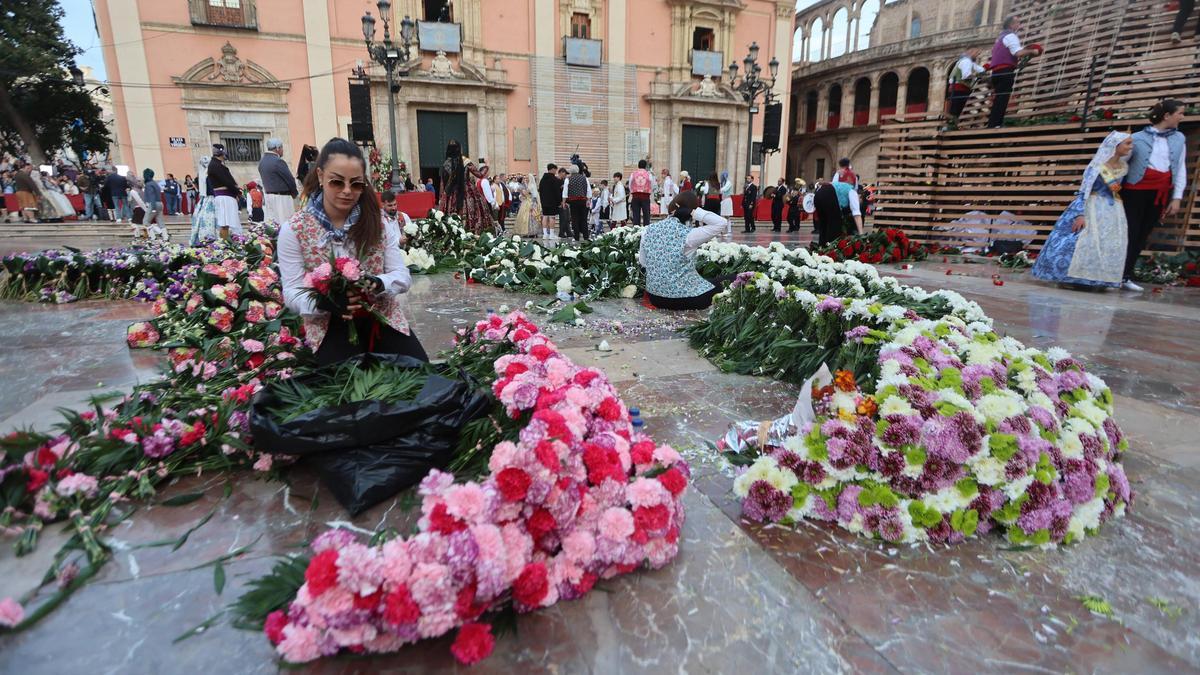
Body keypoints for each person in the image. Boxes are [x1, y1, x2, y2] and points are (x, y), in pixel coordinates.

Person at [279, 138, 427, 366]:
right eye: (337, 182)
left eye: (356, 184)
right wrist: (323, 301)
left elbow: (402, 275)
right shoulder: (294, 230)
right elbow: (291, 292)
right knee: (342, 388)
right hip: (328, 322)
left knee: (420, 377)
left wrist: (377, 283)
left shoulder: (377, 223)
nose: (347, 191)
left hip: (382, 316)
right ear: (320, 176)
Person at [1031, 131, 1132, 288]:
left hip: (1112, 209)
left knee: (1106, 243)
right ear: (1115, 146)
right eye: (1127, 143)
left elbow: (1115, 189)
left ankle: (1097, 279)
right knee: (1080, 239)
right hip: (1091, 205)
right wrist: (1080, 213)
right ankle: (1071, 278)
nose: (1130, 147)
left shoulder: (1123, 166)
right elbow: (1084, 190)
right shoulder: (1099, 166)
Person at [1121, 99, 1187, 291]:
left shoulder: (1179, 138)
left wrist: (1176, 197)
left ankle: (1127, 274)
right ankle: (1119, 273)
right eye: (1180, 113)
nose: (1182, 117)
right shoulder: (1138, 137)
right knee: (1130, 232)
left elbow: (1180, 168)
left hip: (1159, 192)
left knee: (1143, 233)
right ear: (1167, 115)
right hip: (1135, 191)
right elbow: (1122, 162)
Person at [637, 190, 733, 310]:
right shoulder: (689, 234)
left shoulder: (648, 230)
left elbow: (643, 262)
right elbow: (721, 223)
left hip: (655, 297)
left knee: (707, 281)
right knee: (732, 280)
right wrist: (694, 212)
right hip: (686, 299)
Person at [987, 15, 1043, 129]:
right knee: (1002, 99)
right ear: (1011, 24)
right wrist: (1033, 51)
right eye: (1018, 22)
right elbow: (1017, 53)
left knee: (998, 99)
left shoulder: (999, 38)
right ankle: (996, 125)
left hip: (996, 73)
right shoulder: (1011, 36)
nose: (1019, 25)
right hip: (1005, 71)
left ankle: (992, 125)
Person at [259, 138, 299, 226]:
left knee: (273, 225)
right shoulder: (278, 161)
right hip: (281, 198)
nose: (282, 150)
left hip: (269, 196)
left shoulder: (262, 162)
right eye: (282, 148)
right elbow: (289, 179)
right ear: (277, 148)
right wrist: (294, 193)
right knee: (285, 224)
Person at [812, 179, 863, 246]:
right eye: (860, 202)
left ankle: (821, 247)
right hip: (829, 195)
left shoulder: (843, 187)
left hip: (818, 195)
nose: (859, 203)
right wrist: (861, 234)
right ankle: (831, 249)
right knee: (835, 226)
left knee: (823, 225)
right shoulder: (853, 192)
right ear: (860, 197)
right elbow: (856, 214)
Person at [207, 144, 242, 236]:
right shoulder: (216, 166)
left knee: (227, 223)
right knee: (226, 224)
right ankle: (226, 244)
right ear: (222, 153)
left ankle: (227, 242)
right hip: (225, 197)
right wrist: (237, 192)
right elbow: (227, 182)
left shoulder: (216, 164)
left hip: (226, 196)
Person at [947, 47, 986, 129]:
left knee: (959, 110)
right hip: (959, 89)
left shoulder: (970, 62)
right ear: (970, 52)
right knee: (956, 110)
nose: (977, 55)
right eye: (976, 53)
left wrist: (983, 71)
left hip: (961, 89)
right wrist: (977, 76)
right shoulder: (966, 61)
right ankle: (951, 127)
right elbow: (966, 76)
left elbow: (980, 69)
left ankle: (955, 126)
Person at [464, 159, 496, 235]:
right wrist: (487, 165)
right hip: (483, 201)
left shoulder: (479, 181)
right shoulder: (484, 181)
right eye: (488, 171)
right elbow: (487, 194)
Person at [438, 140, 467, 219]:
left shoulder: (446, 163)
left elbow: (442, 183)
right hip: (461, 192)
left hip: (449, 194)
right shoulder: (462, 162)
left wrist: (441, 196)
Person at [565, 163, 590, 241]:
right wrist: (588, 199)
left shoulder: (568, 179)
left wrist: (563, 201)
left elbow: (565, 192)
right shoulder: (584, 178)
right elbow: (588, 189)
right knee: (583, 218)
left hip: (573, 201)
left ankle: (576, 237)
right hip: (582, 200)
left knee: (574, 219)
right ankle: (586, 236)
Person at [628, 159, 655, 227]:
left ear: (638, 165)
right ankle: (646, 229)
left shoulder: (633, 174)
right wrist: (649, 191)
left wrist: (633, 191)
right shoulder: (649, 174)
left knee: (636, 214)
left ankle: (636, 230)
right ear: (646, 166)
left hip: (635, 196)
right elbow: (652, 184)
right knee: (646, 214)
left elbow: (630, 184)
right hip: (645, 196)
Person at [538, 163, 561, 239]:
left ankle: (545, 234)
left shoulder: (542, 179)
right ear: (552, 169)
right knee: (552, 217)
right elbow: (557, 192)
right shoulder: (554, 179)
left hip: (544, 201)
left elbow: (540, 190)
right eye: (555, 170)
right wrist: (559, 201)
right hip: (552, 202)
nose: (556, 171)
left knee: (545, 217)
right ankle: (551, 234)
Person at [557, 166, 572, 238]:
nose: (566, 175)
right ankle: (561, 233)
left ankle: (568, 232)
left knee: (567, 218)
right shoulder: (557, 181)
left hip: (566, 202)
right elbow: (558, 193)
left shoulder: (564, 181)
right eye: (565, 173)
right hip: (561, 202)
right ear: (560, 173)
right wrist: (560, 202)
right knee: (563, 218)